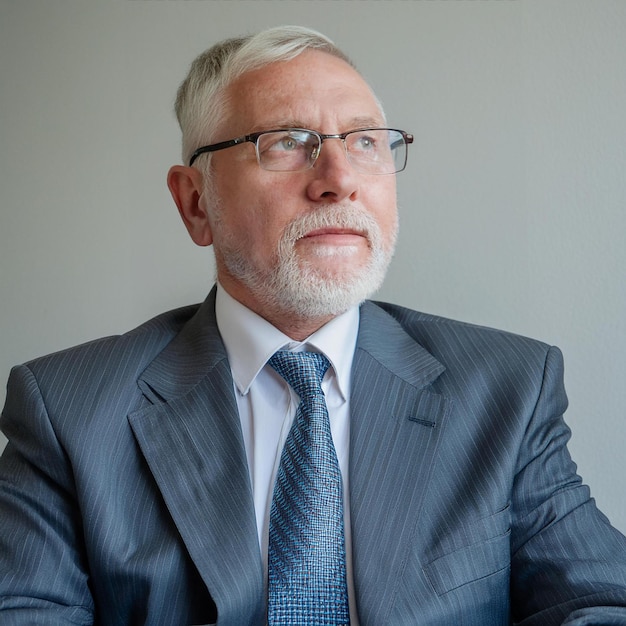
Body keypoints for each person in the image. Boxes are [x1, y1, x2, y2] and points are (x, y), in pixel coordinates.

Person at [1, 24, 625, 626]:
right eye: (286, 142)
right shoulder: (68, 412)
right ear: (196, 202)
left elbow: (602, 601)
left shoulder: (508, 391)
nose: (339, 181)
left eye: (364, 142)